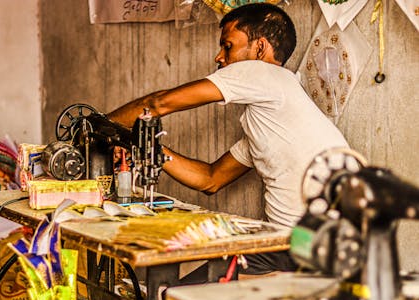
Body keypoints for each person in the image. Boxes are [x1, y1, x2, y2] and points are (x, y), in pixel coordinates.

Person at [108, 3, 349, 274]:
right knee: (180, 296)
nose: (219, 57)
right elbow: (211, 179)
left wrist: (100, 127)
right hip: (309, 246)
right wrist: (147, 147)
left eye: (228, 46)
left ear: (260, 48)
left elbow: (158, 103)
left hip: (296, 247)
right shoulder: (275, 114)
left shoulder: (263, 73)